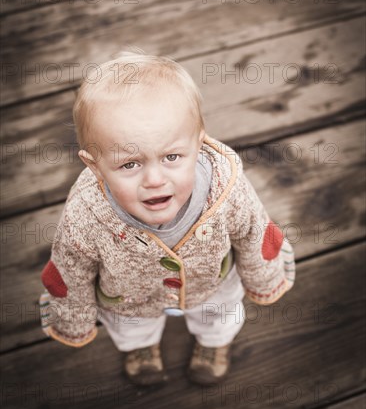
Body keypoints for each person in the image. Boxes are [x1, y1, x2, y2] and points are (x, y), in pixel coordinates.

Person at [39, 50, 296, 387]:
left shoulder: (225, 189)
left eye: (172, 156)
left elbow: (254, 231)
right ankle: (141, 346)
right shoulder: (85, 215)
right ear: (94, 165)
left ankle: (214, 342)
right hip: (130, 298)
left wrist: (263, 279)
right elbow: (68, 270)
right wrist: (73, 319)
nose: (155, 179)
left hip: (211, 283)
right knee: (130, 326)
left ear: (199, 143)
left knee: (220, 314)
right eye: (130, 164)